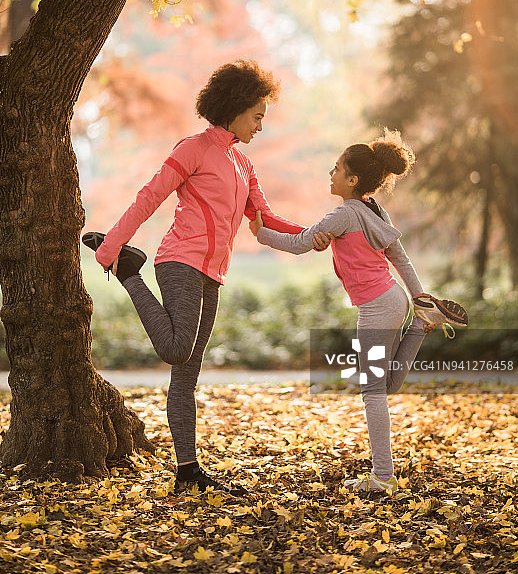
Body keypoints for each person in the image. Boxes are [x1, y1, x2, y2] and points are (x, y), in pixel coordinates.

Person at [82, 60, 329, 496]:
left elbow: (264, 216)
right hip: (180, 260)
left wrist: (312, 234)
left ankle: (187, 471)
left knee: (187, 375)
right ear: (234, 107)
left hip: (213, 273)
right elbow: (150, 196)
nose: (259, 126)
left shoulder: (243, 163)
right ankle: (129, 273)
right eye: (257, 116)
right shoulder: (192, 148)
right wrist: (111, 246)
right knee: (176, 350)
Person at [249, 129, 468, 495]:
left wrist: (261, 233)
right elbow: (399, 256)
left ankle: (382, 476)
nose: (330, 174)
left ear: (352, 179)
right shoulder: (374, 210)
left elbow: (300, 243)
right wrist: (419, 297)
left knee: (372, 392)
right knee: (387, 385)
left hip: (377, 309)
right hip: (394, 300)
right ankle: (420, 323)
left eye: (336, 168)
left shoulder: (344, 214)